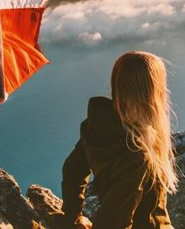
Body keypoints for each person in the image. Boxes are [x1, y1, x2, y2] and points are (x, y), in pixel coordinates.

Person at [61, 51, 177, 229]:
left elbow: (72, 170)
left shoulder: (98, 125)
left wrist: (72, 215)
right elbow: (114, 221)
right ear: (153, 93)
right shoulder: (137, 153)